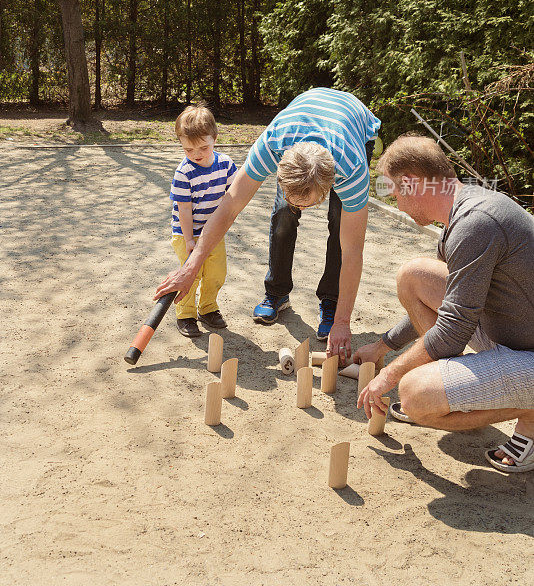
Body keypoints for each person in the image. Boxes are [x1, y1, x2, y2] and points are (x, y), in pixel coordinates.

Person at [354, 134, 534, 473]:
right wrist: (382, 346)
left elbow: (452, 331)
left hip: (528, 354)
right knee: (415, 276)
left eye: (394, 194)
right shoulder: (460, 217)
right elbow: (454, 310)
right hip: (510, 332)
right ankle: (465, 389)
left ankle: (530, 415)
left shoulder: (477, 223)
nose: (397, 204)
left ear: (410, 183)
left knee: (413, 395)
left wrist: (389, 375)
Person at [155, 88, 380, 358]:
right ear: (280, 170)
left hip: (353, 124)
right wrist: (191, 267)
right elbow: (229, 207)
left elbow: (354, 250)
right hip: (299, 123)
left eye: (305, 203)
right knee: (284, 213)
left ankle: (332, 304)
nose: (299, 207)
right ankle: (277, 293)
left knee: (338, 221)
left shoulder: (352, 170)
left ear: (327, 187)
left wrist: (344, 322)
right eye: (292, 195)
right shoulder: (272, 143)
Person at [170, 104, 237, 338]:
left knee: (216, 272)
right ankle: (185, 314)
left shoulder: (226, 164)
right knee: (192, 273)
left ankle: (207, 308)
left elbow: (233, 196)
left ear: (215, 138)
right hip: (186, 233)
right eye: (188, 149)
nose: (196, 154)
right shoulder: (184, 172)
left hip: (214, 232)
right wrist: (189, 238)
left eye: (203, 147)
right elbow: (184, 209)